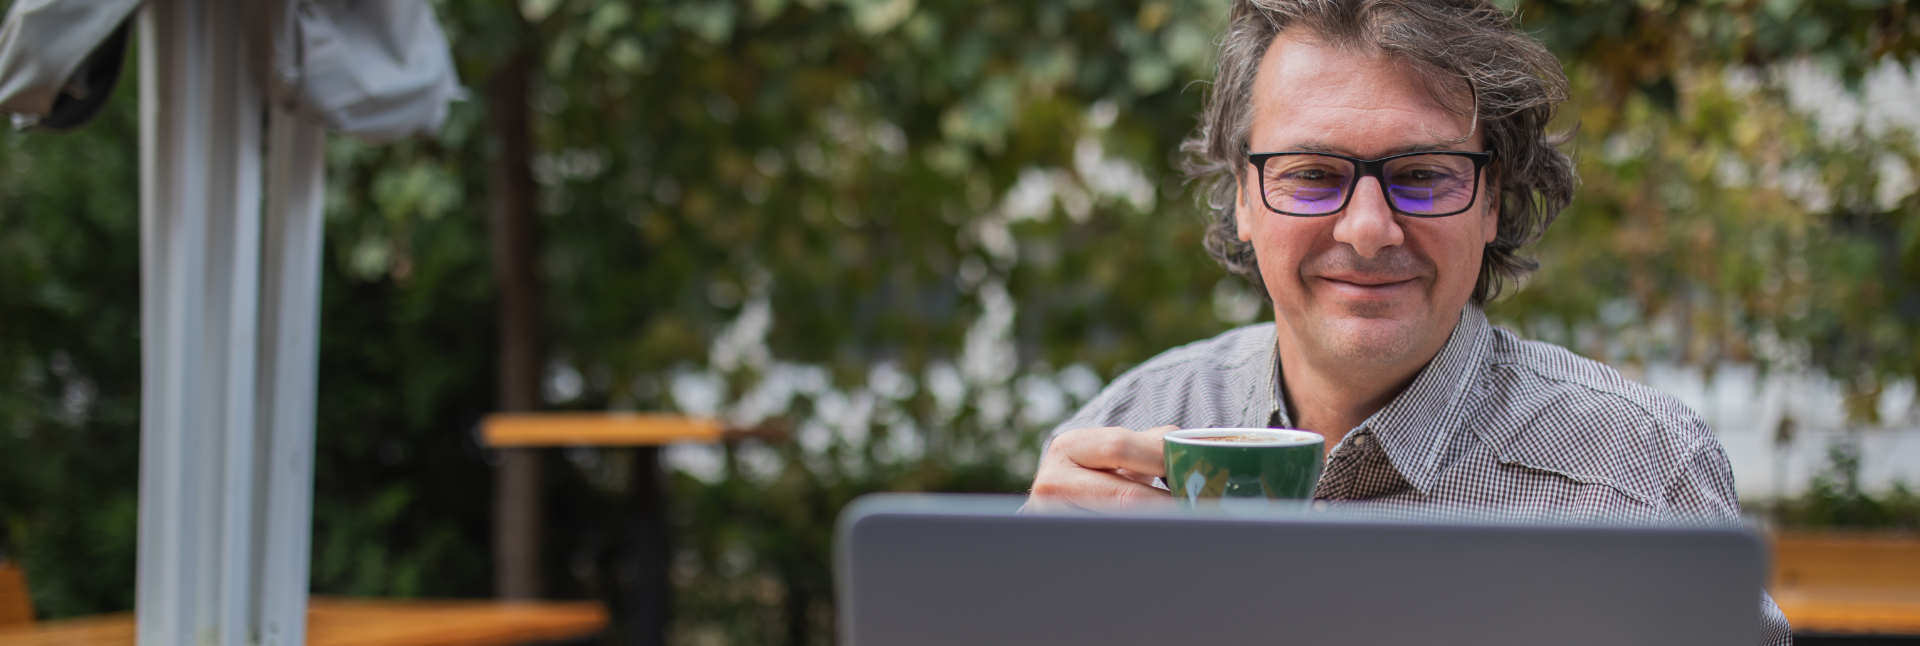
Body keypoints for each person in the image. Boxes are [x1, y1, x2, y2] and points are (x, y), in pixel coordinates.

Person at [1025, 0, 1791, 642]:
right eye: (1313, 175)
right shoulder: (1127, 435)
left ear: (1493, 201)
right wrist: (1017, 599)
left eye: (1422, 176)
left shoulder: (1641, 479)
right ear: (1244, 200)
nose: (1367, 229)